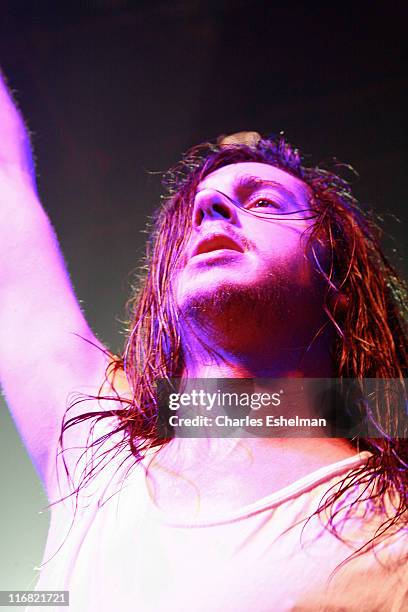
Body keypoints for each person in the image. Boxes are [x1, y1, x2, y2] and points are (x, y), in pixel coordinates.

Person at [1, 71, 407, 611]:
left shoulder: (390, 527)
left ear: (335, 278)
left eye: (263, 202)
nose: (212, 211)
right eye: (199, 211)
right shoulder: (96, 449)